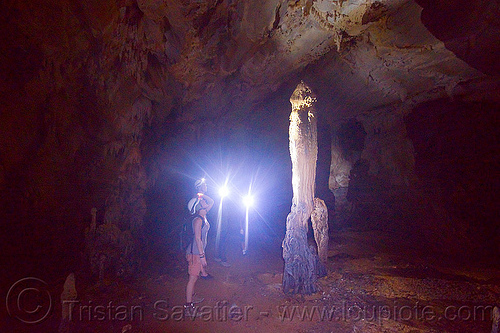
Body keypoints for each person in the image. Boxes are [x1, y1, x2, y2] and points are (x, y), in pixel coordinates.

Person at [184, 179, 214, 316]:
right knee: (193, 278)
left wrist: (201, 195)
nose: (205, 203)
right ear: (198, 207)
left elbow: (212, 202)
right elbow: (197, 239)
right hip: (195, 252)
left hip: (197, 251)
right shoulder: (198, 220)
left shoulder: (203, 216)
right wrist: (202, 257)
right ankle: (188, 306)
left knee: (194, 277)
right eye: (202, 203)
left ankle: (192, 297)